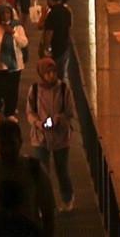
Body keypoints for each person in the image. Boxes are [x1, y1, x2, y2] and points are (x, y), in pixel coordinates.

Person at [25, 56, 76, 209]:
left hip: (60, 136)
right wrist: (38, 123)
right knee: (42, 172)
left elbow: (70, 111)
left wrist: (59, 119)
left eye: (53, 72)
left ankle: (67, 198)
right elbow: (30, 112)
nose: (51, 75)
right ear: (41, 74)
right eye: (47, 73)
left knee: (62, 169)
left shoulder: (64, 89)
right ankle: (43, 202)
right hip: (40, 136)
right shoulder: (35, 90)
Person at [39, 0, 73, 79]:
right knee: (61, 74)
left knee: (51, 74)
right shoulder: (67, 11)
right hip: (64, 47)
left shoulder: (52, 13)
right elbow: (69, 28)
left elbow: (48, 32)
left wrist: (46, 49)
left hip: (54, 49)